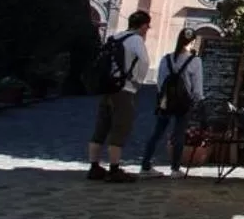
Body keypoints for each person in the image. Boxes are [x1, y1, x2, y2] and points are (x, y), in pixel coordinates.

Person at [87, 11, 150, 182]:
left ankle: (94, 166)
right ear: (143, 26)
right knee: (120, 127)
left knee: (101, 127)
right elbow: (144, 61)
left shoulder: (115, 37)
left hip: (107, 87)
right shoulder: (136, 40)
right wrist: (138, 81)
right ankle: (114, 169)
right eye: (147, 27)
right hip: (124, 89)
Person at [138, 28, 203, 177]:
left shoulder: (166, 59)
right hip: (183, 102)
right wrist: (198, 100)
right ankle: (175, 169)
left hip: (166, 101)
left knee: (157, 132)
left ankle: (145, 165)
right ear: (193, 42)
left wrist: (164, 96)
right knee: (179, 134)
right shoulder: (195, 61)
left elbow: (160, 82)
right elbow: (197, 86)